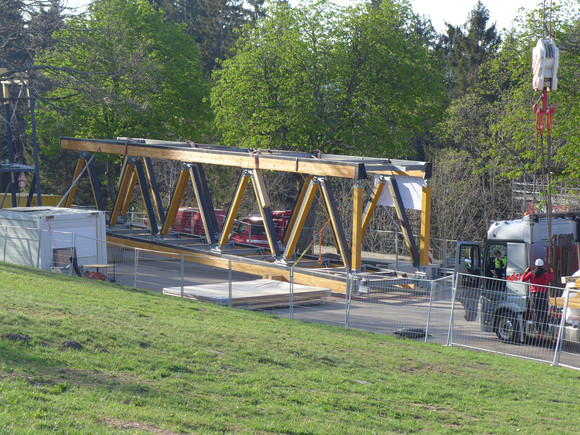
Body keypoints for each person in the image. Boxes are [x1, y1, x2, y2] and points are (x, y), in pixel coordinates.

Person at [521, 258, 554, 333]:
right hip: (543, 294)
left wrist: (526, 272)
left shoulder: (531, 273)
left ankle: (537, 328)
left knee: (536, 311)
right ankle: (545, 328)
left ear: (535, 265)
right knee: (543, 311)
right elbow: (550, 279)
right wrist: (552, 272)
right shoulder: (545, 273)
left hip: (534, 294)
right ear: (542, 265)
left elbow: (523, 279)